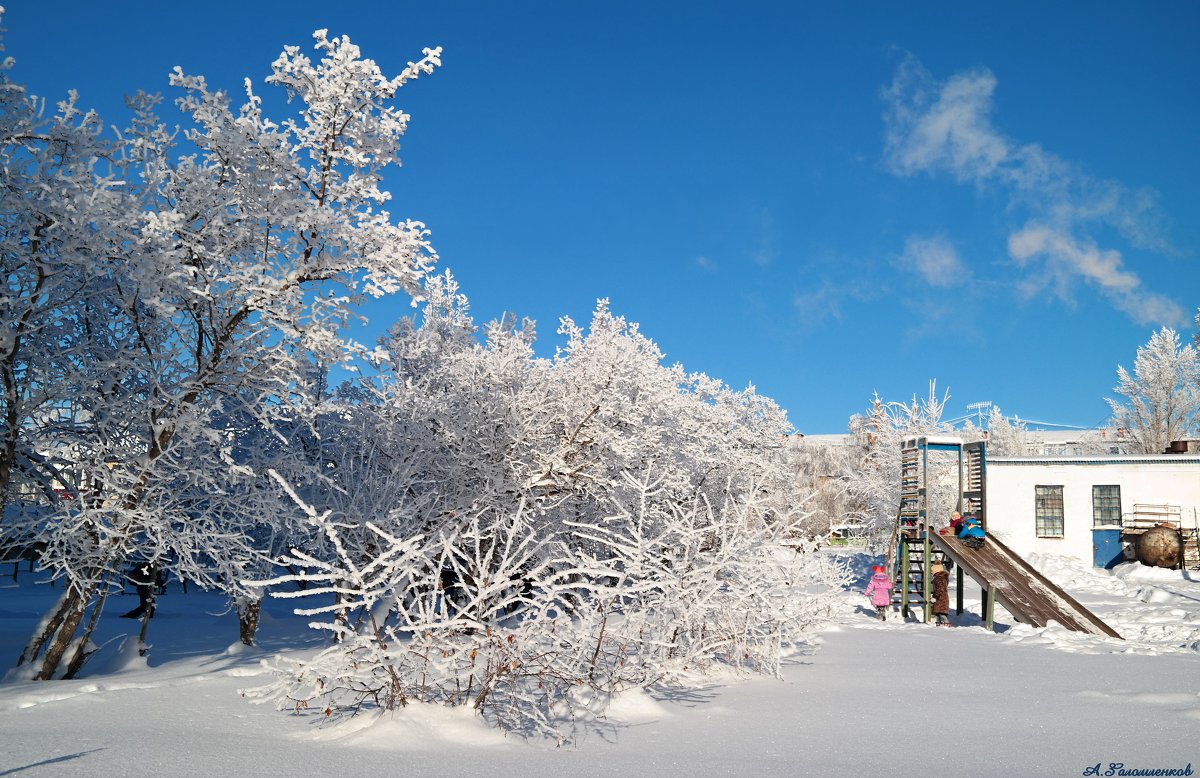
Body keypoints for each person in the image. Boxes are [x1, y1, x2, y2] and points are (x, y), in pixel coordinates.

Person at [931, 561, 951, 626]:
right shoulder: (942, 577)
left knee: (941, 613)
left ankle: (945, 623)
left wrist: (935, 597)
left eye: (932, 571)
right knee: (938, 613)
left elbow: (940, 589)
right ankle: (939, 623)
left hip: (940, 599)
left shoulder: (939, 578)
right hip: (942, 598)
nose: (931, 572)